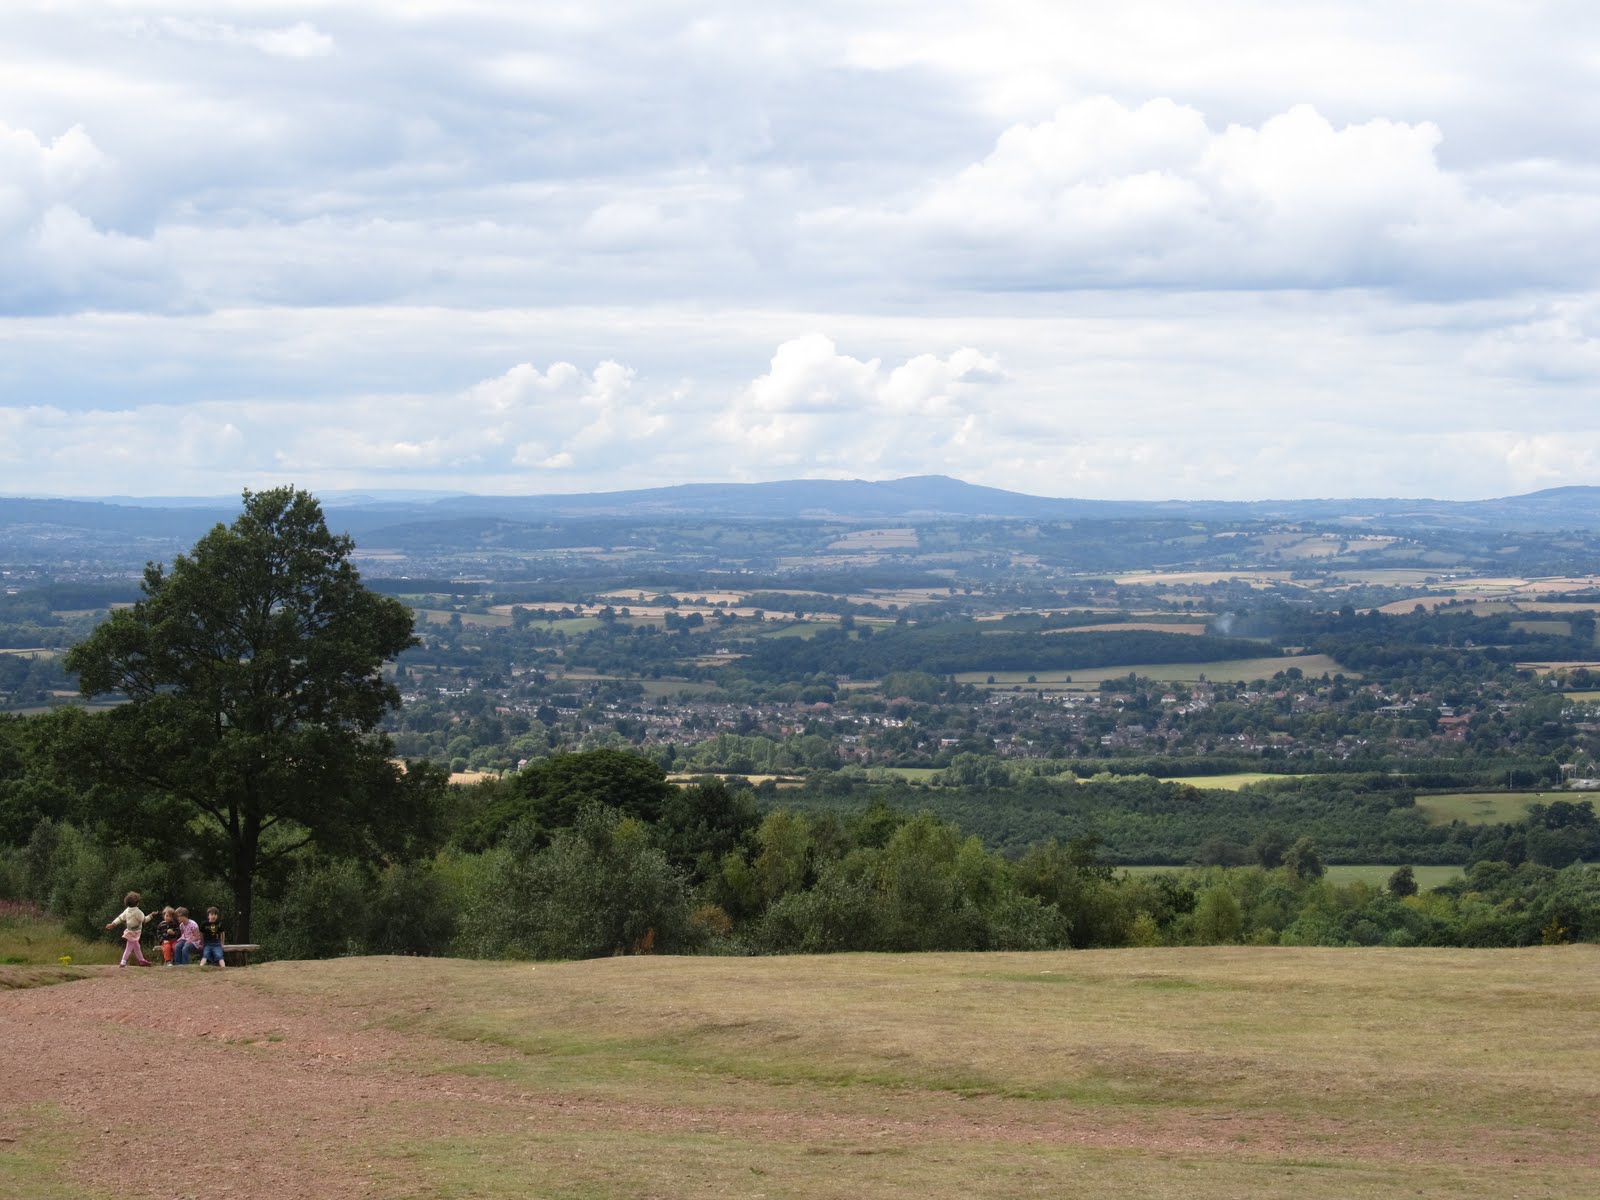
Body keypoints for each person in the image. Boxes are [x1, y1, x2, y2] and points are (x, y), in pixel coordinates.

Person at [105, 891, 156, 968]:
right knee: (129, 947)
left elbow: (120, 918)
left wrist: (113, 924)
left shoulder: (127, 910)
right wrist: (151, 915)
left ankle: (141, 960)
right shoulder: (138, 912)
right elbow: (144, 920)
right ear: (137, 902)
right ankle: (123, 961)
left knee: (137, 946)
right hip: (135, 932)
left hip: (129, 931)